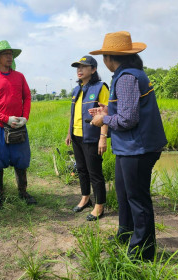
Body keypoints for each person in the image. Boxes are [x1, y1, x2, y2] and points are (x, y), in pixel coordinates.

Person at [88, 31, 167, 260]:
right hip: (128, 148)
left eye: (104, 56)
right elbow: (126, 111)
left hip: (138, 149)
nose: (104, 61)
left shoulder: (126, 78)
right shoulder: (126, 75)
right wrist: (107, 110)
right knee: (124, 194)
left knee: (138, 199)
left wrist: (104, 119)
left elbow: (128, 119)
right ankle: (126, 235)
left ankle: (143, 251)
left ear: (109, 58)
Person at [0, 40, 36, 210]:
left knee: (21, 159)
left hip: (19, 126)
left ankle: (23, 192)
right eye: (6, 54)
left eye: (11, 54)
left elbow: (27, 97)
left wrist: (25, 117)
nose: (9, 57)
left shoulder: (19, 77)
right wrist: (5, 118)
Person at [65, 55, 109, 221]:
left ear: (94, 69)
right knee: (81, 170)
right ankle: (85, 198)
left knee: (94, 172)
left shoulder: (100, 87)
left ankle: (99, 205)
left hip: (92, 137)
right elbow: (73, 114)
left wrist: (103, 138)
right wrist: (69, 133)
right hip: (76, 136)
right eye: (78, 67)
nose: (80, 70)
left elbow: (106, 113)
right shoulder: (76, 90)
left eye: (84, 67)